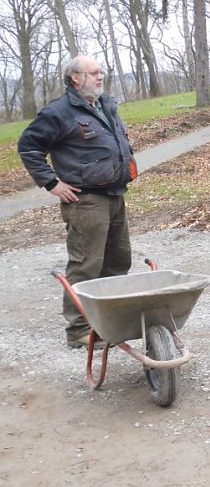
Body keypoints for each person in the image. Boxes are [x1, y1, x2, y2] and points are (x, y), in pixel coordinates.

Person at [17, 55, 136, 349]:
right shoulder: (59, 112)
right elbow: (28, 146)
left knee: (119, 260)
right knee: (86, 265)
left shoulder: (105, 105)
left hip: (114, 194)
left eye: (101, 72)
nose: (100, 76)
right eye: (94, 73)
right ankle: (79, 329)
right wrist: (52, 183)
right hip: (85, 200)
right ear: (75, 78)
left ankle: (107, 319)